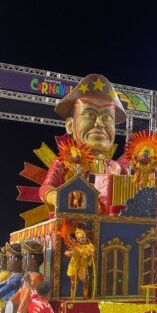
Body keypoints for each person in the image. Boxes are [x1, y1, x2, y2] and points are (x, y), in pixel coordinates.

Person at [39, 74, 129, 214]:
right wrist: (57, 197)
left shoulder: (118, 168)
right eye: (89, 114)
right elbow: (46, 187)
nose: (99, 124)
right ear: (70, 125)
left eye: (107, 117)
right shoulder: (64, 165)